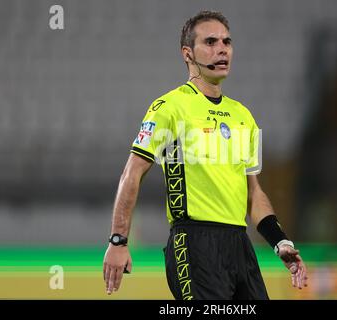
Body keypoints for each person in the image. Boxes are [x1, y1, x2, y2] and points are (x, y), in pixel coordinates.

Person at [103, 10, 307, 300]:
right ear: (188, 53)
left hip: (239, 245)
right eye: (210, 42)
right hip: (194, 242)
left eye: (226, 41)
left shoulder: (243, 116)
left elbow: (254, 194)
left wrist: (280, 241)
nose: (221, 48)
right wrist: (118, 241)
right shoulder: (169, 108)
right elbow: (131, 173)